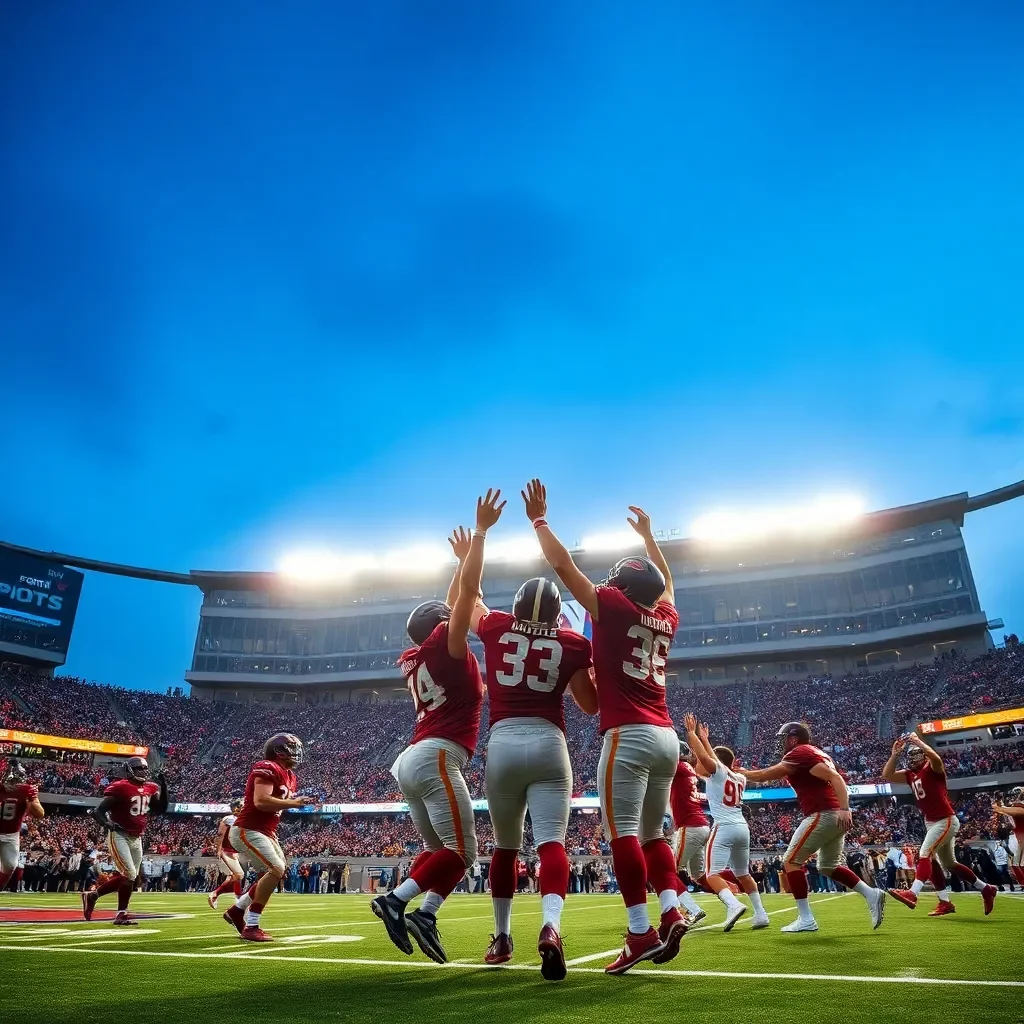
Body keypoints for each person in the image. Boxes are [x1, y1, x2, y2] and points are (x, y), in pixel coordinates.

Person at [524, 479, 684, 973]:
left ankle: (640, 932)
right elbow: (668, 585)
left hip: (629, 735)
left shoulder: (614, 606)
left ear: (624, 589)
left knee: (623, 836)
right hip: (667, 737)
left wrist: (539, 521)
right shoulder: (666, 617)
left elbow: (562, 568)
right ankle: (672, 909)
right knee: (654, 835)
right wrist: (650, 539)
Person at [457, 522, 597, 981]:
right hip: (549, 743)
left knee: (505, 846)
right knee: (552, 842)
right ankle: (551, 927)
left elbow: (468, 597)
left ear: (516, 607)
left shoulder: (497, 626)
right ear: (558, 615)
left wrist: (472, 546)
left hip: (503, 742)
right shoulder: (572, 643)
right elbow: (589, 704)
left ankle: (501, 937)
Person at [371, 490, 499, 965]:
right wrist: (480, 536)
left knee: (440, 850)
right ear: (442, 626)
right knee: (463, 851)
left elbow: (454, 602)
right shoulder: (447, 645)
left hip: (413, 758)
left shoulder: (422, 654)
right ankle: (397, 901)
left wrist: (461, 562)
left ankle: (426, 914)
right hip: (437, 756)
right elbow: (465, 598)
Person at [739, 722, 886, 933]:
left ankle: (806, 918)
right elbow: (832, 776)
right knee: (828, 866)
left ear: (793, 739)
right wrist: (843, 809)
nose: (781, 743)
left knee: (791, 861)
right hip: (833, 814)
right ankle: (871, 894)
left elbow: (767, 775)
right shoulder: (814, 752)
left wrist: (744, 773)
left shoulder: (800, 751)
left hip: (824, 813)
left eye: (784, 739)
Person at [882, 733, 996, 917]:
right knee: (948, 863)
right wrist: (895, 754)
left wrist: (918, 741)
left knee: (925, 853)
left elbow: (935, 758)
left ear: (924, 754)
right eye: (910, 755)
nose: (912, 758)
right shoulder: (910, 774)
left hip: (945, 819)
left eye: (916, 753)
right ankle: (981, 890)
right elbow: (887, 775)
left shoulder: (932, 767)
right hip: (931, 821)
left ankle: (913, 893)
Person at [222, 733, 315, 941]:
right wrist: (294, 803)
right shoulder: (267, 766)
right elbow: (261, 801)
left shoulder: (290, 775)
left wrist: (293, 802)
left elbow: (275, 803)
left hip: (266, 831)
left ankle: (237, 910)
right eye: (292, 748)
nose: (296, 753)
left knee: (275, 872)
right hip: (249, 828)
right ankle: (252, 925)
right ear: (279, 751)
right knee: (276, 869)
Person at [685, 715, 769, 931]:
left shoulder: (718, 772)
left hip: (724, 826)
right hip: (742, 827)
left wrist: (692, 734)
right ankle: (761, 914)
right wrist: (706, 740)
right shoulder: (740, 778)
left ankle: (733, 905)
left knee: (712, 874)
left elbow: (705, 759)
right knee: (743, 873)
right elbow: (712, 761)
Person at [82, 756, 168, 925]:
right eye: (138, 768)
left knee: (131, 878)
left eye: (144, 768)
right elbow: (98, 811)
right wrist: (109, 824)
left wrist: (164, 785)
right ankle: (120, 914)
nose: (143, 771)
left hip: (137, 837)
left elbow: (161, 808)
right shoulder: (121, 787)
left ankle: (94, 897)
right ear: (129, 771)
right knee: (130, 874)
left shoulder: (150, 788)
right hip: (120, 835)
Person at [668, 733, 710, 925]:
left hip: (690, 826)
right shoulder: (687, 769)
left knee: (669, 871)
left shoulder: (678, 767)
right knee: (698, 875)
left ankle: (691, 909)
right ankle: (731, 899)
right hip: (700, 825)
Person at [0, 760, 44, 892]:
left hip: (11, 834)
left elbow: (40, 814)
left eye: (18, 780)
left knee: (10, 865)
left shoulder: (26, 790)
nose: (15, 784)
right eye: (12, 780)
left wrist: (31, 799)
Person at [207, 799, 245, 909]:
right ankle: (215, 894)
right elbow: (220, 835)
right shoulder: (229, 819)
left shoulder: (242, 819)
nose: (243, 808)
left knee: (234, 876)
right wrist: (219, 850)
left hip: (233, 852)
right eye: (241, 806)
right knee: (239, 875)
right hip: (226, 851)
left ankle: (238, 900)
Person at [992, 786, 1024, 887]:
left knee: (1017, 863)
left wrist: (998, 803)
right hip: (1016, 836)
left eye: (1016, 795)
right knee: (1015, 864)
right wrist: (998, 801)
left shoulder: (1019, 807)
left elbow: (1002, 810)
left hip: (1019, 837)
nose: (1013, 797)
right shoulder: (1016, 806)